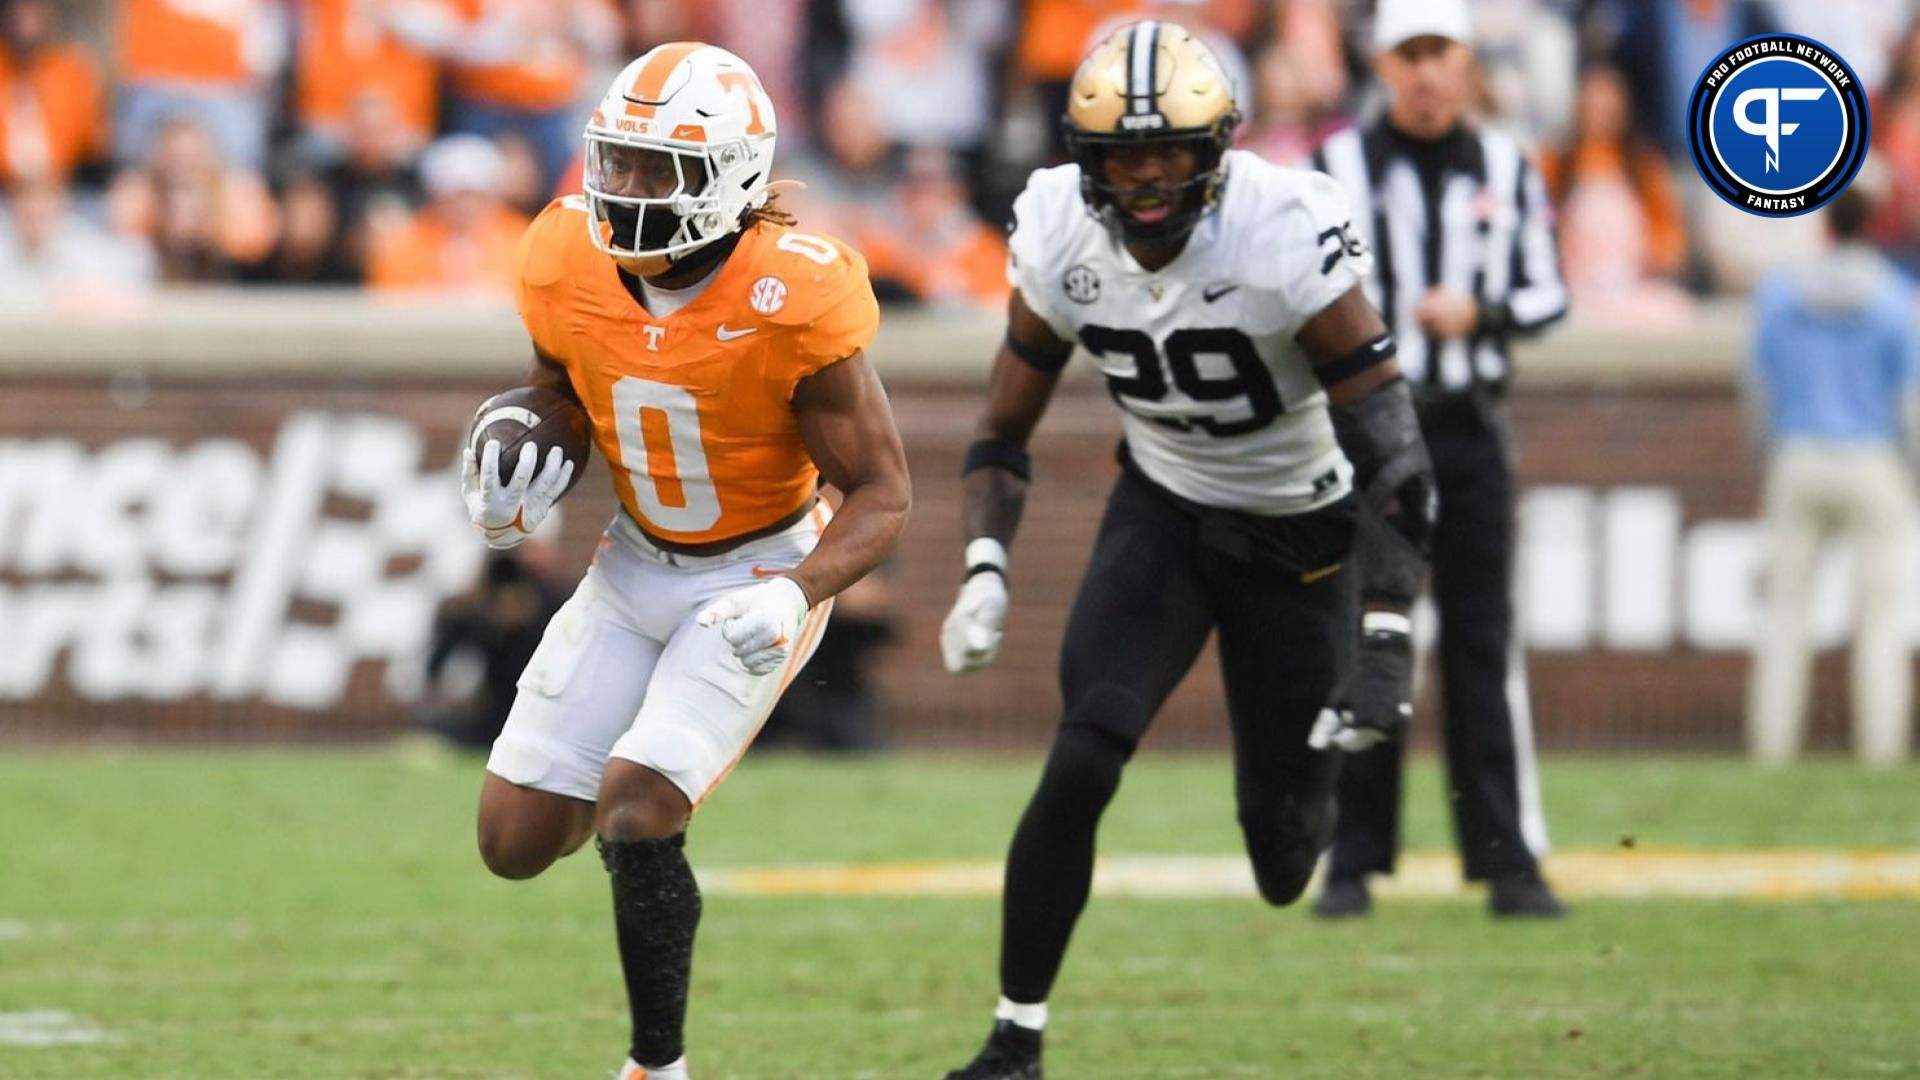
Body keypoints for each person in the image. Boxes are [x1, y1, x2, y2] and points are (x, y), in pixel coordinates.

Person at [936, 22, 1436, 1078]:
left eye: (1170, 149)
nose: (1150, 175)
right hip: (1162, 508)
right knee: (1082, 752)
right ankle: (1013, 1040)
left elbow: (1394, 456)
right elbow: (1002, 426)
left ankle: (1310, 795)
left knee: (1283, 853)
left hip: (1302, 535)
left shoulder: (1282, 227)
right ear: (1087, 157)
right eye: (1125, 152)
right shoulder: (1058, 234)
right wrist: (985, 563)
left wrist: (1386, 634)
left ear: (1216, 149)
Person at [459, 42, 911, 1080]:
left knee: (639, 803)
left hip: (756, 572)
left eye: (656, 171)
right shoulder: (565, 254)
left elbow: (885, 492)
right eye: (614, 163)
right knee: (514, 841)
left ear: (732, 179)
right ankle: (630, 822)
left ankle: (656, 1068)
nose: (622, 191)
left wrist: (799, 594)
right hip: (631, 564)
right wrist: (525, 452)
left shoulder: (793, 293)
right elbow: (560, 387)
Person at [1310, 0, 1568, 920]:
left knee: (1482, 644)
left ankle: (1507, 859)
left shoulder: (1507, 163)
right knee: (1366, 640)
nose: (1425, 72)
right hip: (1372, 432)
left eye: (1440, 54)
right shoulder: (1334, 170)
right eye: (1409, 54)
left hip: (1466, 427)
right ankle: (1350, 858)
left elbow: (1548, 293)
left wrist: (1480, 312)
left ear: (1466, 64)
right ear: (1385, 65)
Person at [1745, 181, 1919, 768]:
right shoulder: (1897, 301)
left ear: (1826, 226)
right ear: (1874, 226)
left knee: (1785, 616)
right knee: (1879, 620)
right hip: (1871, 460)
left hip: (1798, 456)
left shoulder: (1779, 297)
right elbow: (1910, 407)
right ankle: (1880, 750)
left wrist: (1766, 456)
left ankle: (1771, 750)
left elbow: (1759, 393)